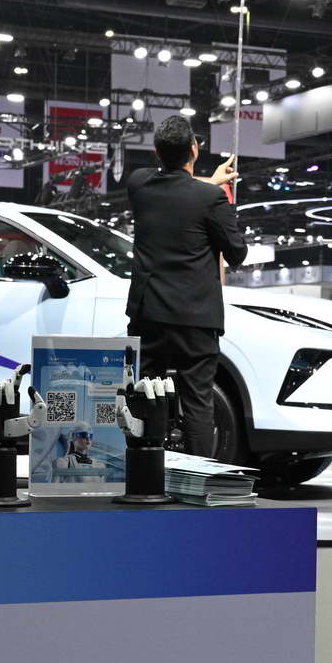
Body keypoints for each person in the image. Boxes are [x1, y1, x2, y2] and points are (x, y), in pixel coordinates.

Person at [124, 116, 246, 458]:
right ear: (194, 149)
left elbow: (174, 188)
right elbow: (237, 253)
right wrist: (218, 192)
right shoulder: (211, 198)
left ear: (156, 152)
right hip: (196, 318)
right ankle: (196, 480)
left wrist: (210, 183)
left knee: (144, 395)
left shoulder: (139, 184)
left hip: (149, 314)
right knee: (198, 401)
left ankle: (144, 474)